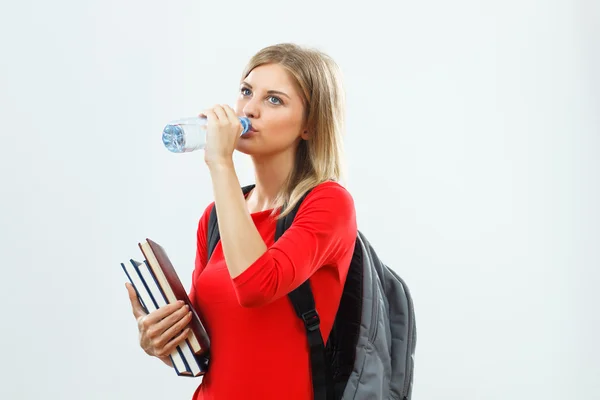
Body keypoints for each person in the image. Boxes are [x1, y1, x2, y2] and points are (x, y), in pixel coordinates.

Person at [126, 42, 358, 399]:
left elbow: (255, 286)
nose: (250, 109)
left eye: (274, 99)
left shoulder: (328, 204)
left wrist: (220, 163)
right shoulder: (217, 217)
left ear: (309, 126)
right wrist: (159, 340)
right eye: (247, 92)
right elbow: (206, 347)